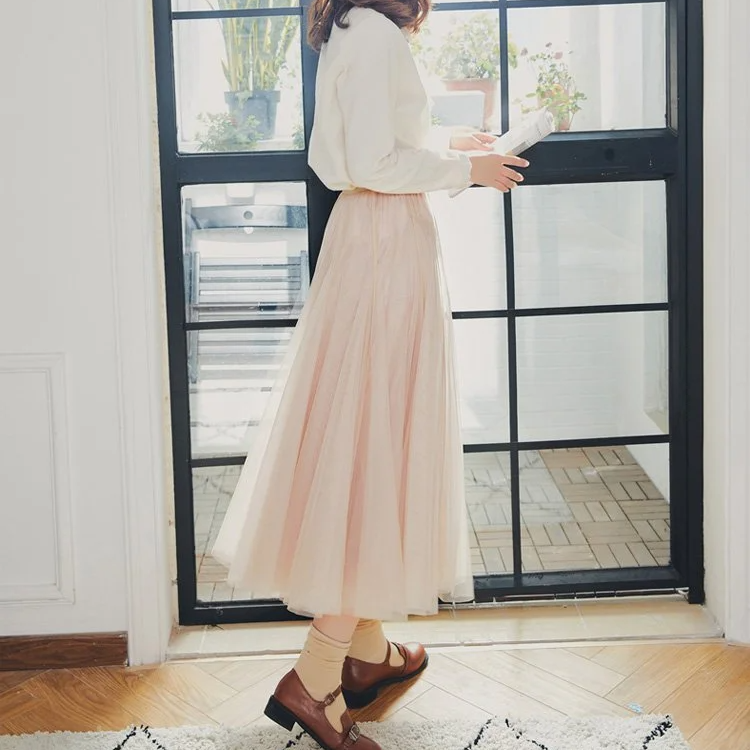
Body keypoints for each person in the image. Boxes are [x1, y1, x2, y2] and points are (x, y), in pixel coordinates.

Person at [211, 0, 528, 748]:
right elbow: (371, 162)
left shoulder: (349, 29)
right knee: (372, 452)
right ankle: (316, 676)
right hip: (385, 247)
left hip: (373, 239)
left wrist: (448, 143)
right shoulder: (375, 33)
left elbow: (371, 145)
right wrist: (467, 169)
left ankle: (367, 654)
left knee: (365, 442)